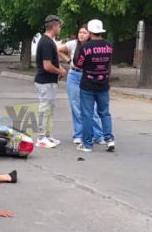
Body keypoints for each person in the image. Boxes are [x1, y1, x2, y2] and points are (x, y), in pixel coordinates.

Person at [74, 19, 115, 153]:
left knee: (87, 114)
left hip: (88, 84)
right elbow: (109, 62)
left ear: (90, 32)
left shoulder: (86, 47)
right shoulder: (109, 46)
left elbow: (78, 64)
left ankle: (87, 144)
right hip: (103, 83)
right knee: (104, 113)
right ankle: (109, 140)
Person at [59, 25, 104, 145]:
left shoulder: (92, 45)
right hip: (74, 75)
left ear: (90, 34)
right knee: (76, 105)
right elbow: (58, 49)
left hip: (87, 76)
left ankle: (98, 134)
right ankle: (78, 134)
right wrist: (68, 60)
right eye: (80, 32)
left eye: (84, 32)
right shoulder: (73, 44)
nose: (81, 34)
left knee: (92, 107)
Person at [34, 15, 66, 148]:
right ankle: (41, 137)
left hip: (49, 81)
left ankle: (47, 135)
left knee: (49, 109)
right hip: (45, 81)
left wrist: (59, 68)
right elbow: (47, 65)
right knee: (45, 108)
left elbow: (52, 62)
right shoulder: (46, 42)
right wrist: (60, 71)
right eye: (59, 26)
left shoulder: (49, 41)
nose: (60, 29)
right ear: (54, 26)